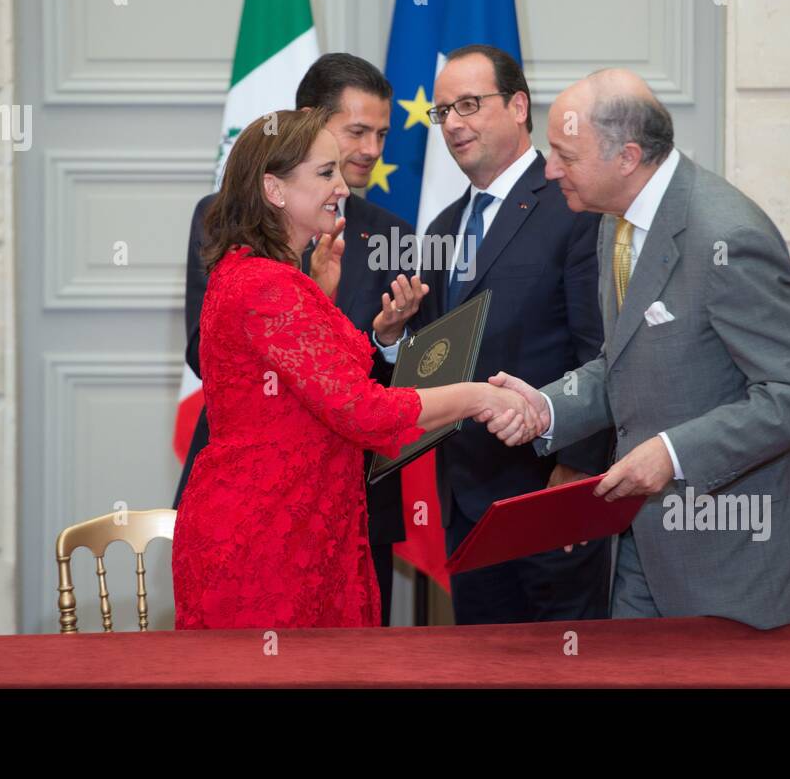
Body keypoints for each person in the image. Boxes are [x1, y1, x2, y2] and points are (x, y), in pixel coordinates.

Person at [486, 69, 790, 629]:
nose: (549, 169)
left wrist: (671, 453)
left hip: (742, 561)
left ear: (627, 156)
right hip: (647, 547)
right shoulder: (611, 222)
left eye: (566, 154)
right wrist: (547, 408)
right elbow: (623, 361)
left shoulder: (726, 235)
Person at [172, 108, 537, 630]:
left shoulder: (263, 275)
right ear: (274, 190)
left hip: (303, 524)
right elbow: (364, 411)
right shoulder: (265, 285)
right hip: (268, 539)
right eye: (325, 173)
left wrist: (321, 294)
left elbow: (307, 388)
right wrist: (480, 397)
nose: (342, 187)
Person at [376, 45, 613, 625]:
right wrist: (390, 339)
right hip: (467, 504)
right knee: (484, 672)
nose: (453, 123)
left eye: (469, 105)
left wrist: (576, 472)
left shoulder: (574, 207)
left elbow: (600, 348)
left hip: (547, 491)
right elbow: (434, 360)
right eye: (442, 112)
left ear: (517, 106)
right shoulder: (442, 227)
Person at [176, 53, 416, 624]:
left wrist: (383, 340)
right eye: (356, 131)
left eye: (382, 134)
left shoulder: (394, 233)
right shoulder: (222, 221)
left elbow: (395, 369)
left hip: (349, 495)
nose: (370, 150)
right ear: (309, 121)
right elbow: (207, 352)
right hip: (259, 501)